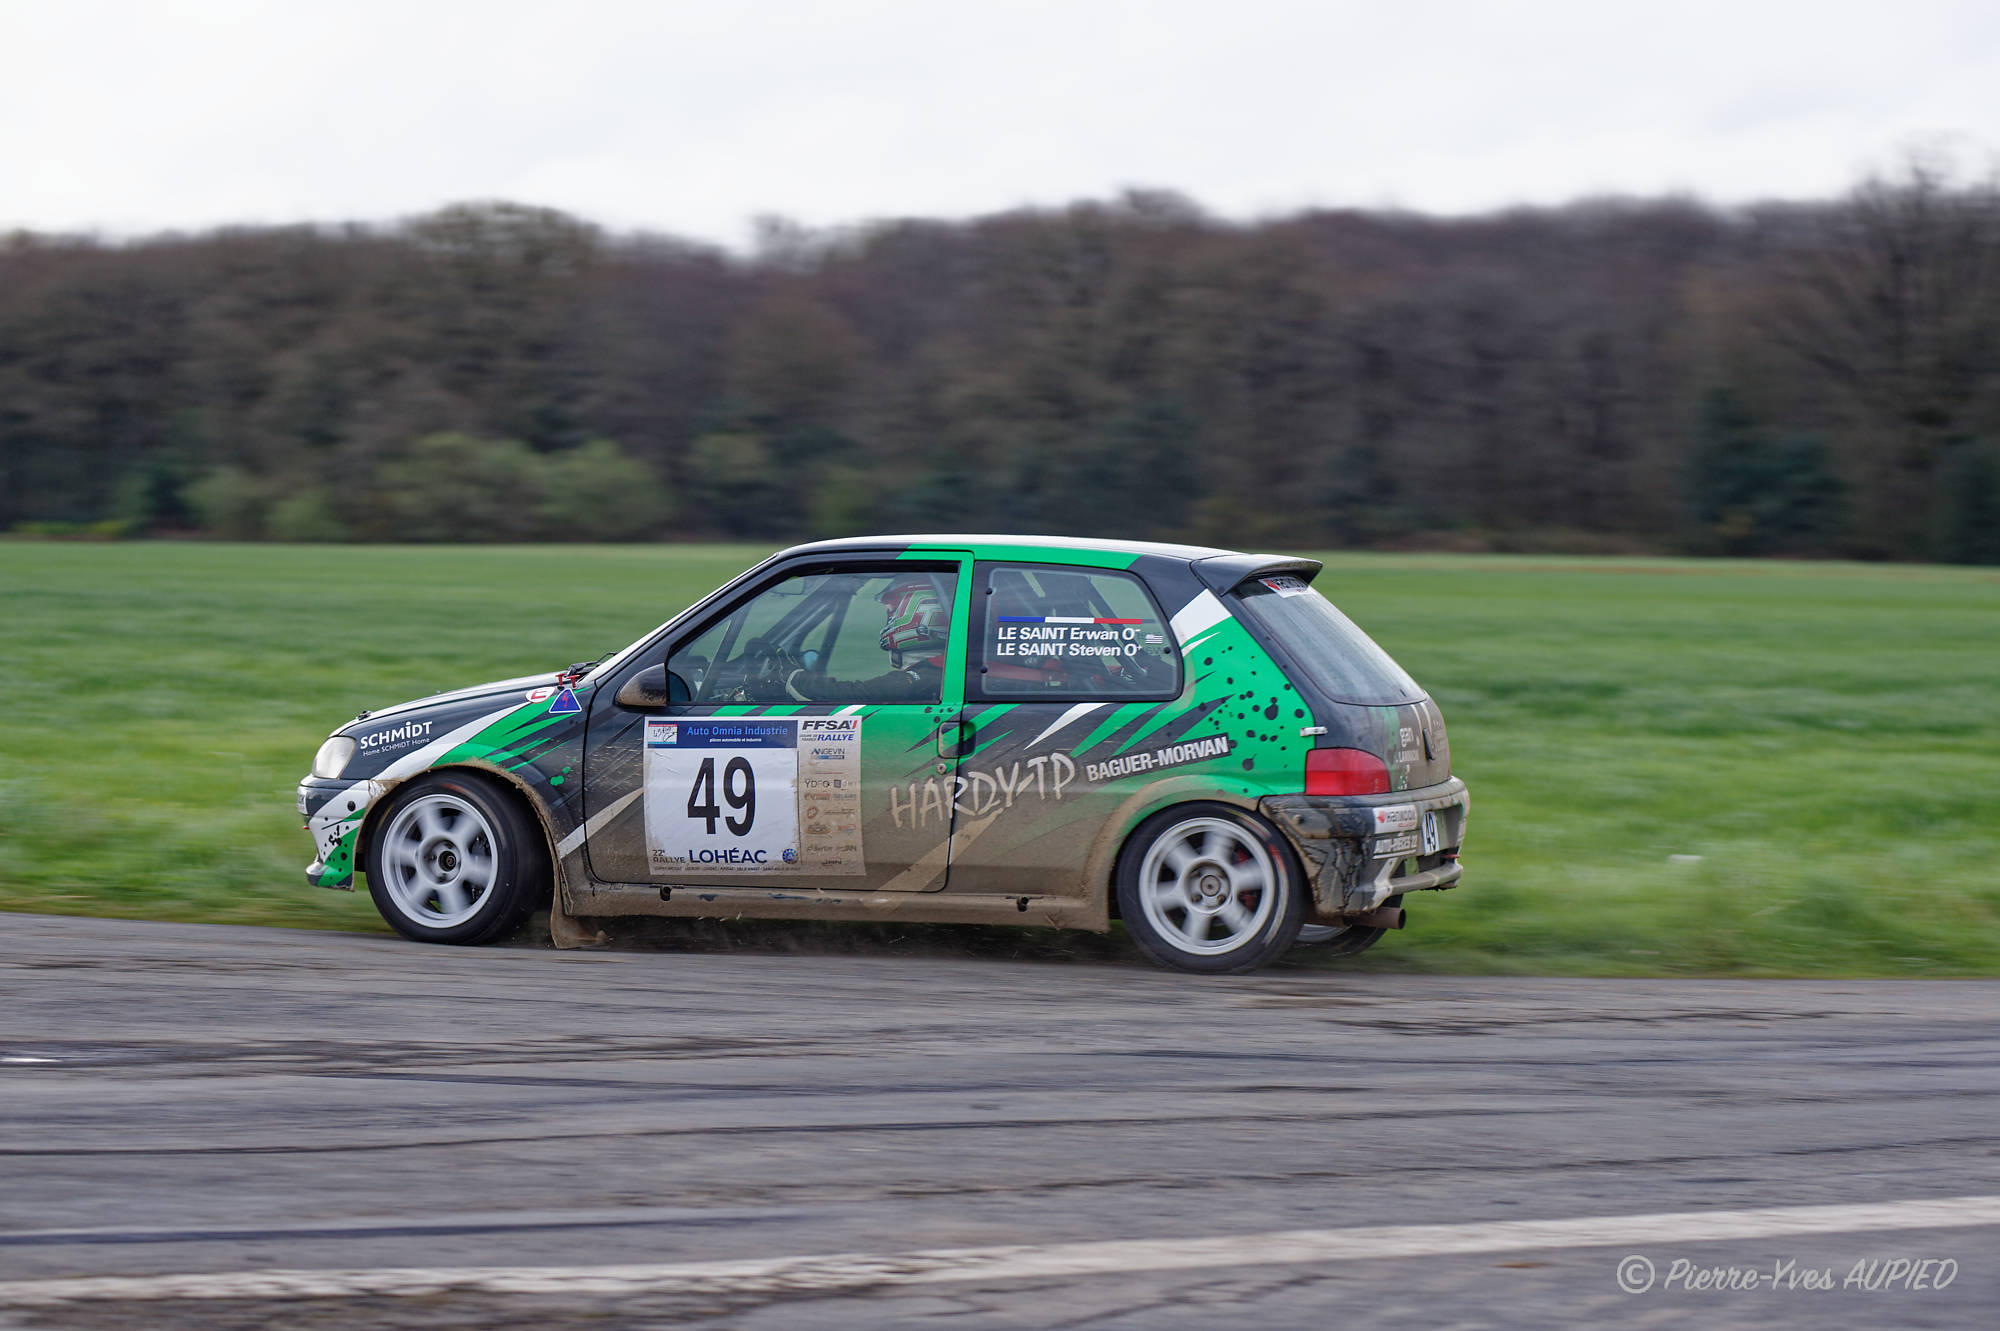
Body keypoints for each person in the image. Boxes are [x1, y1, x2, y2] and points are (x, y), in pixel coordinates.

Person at [784, 577, 951, 703]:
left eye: (891, 613)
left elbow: (859, 693)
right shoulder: (944, 669)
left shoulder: (927, 678)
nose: (889, 620)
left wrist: (791, 677)